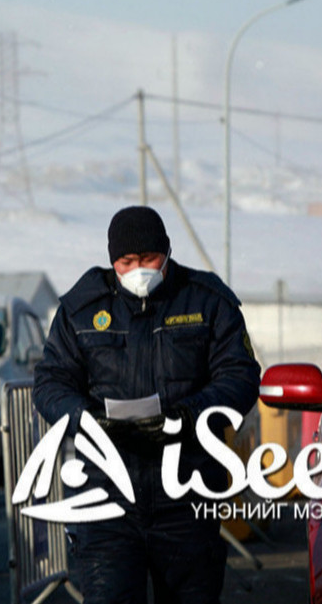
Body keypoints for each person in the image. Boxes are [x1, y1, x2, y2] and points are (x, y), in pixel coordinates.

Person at [33, 205, 260, 604]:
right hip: (106, 498)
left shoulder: (208, 301)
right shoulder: (81, 309)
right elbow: (51, 382)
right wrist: (87, 420)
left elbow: (239, 377)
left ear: (167, 253)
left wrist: (189, 415)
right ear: (112, 261)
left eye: (149, 259)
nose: (139, 269)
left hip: (187, 494)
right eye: (127, 261)